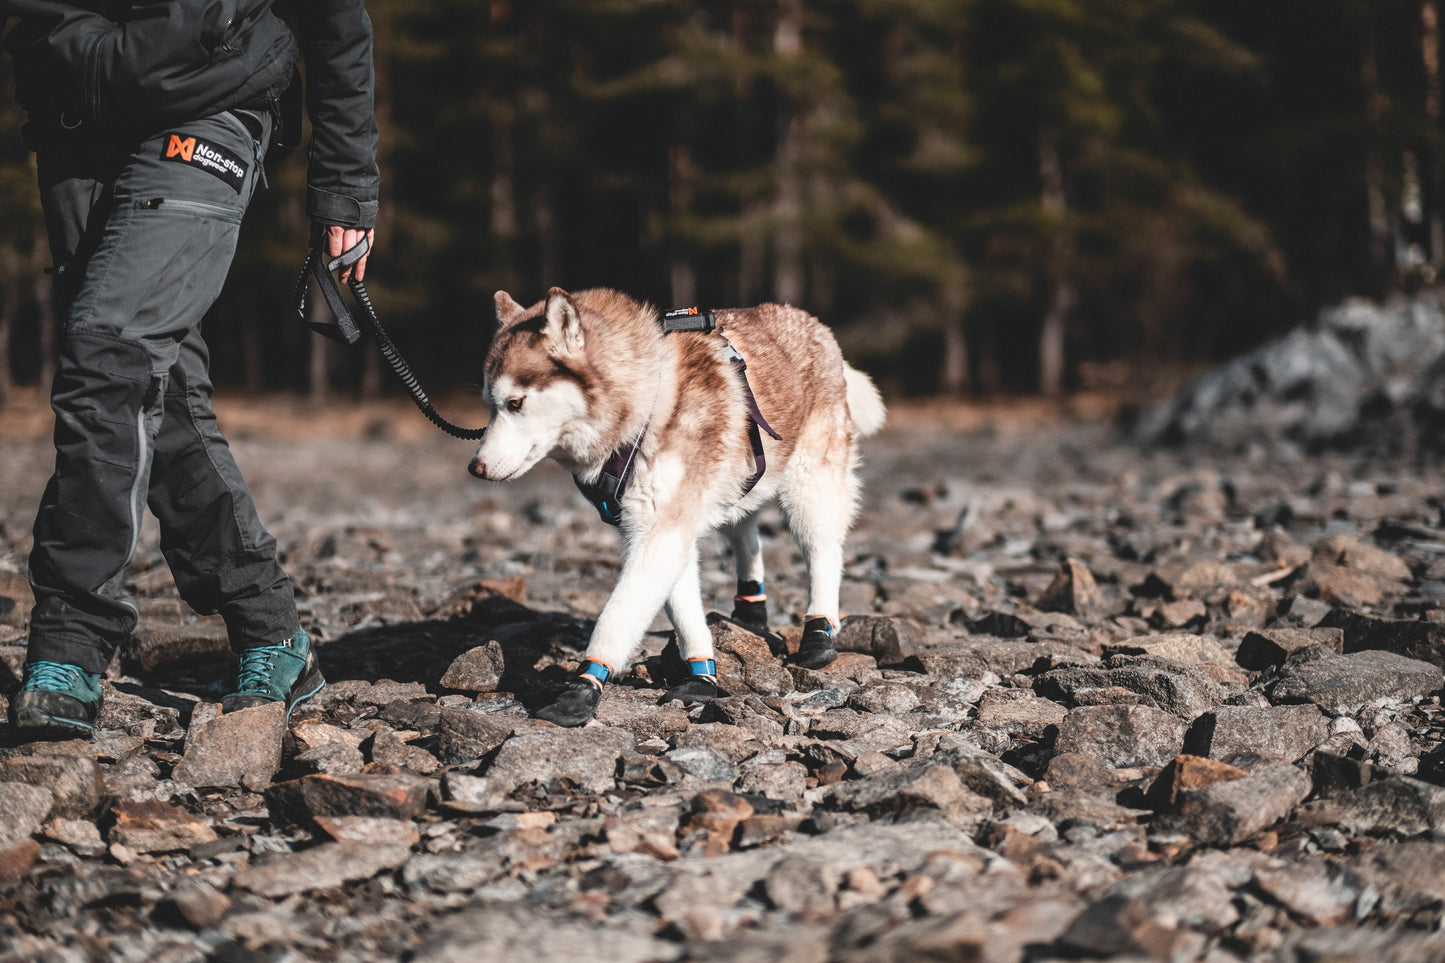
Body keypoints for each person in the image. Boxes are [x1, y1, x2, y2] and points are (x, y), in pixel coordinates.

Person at [0, 0, 379, 738]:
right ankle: (271, 629)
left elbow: (336, 18)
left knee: (110, 353)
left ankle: (71, 640)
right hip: (74, 116)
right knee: (156, 386)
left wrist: (345, 186)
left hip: (211, 102)